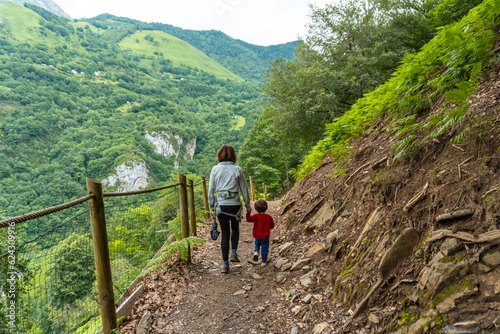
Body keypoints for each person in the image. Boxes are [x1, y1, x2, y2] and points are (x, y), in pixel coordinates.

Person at [208, 144, 251, 274]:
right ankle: (233, 253)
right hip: (235, 205)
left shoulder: (215, 169)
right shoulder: (238, 169)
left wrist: (212, 206)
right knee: (235, 228)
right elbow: (244, 190)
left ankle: (225, 265)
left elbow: (211, 191)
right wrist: (248, 206)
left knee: (225, 234)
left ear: (219, 155)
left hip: (221, 205)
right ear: (233, 155)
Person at [246, 199, 275, 267]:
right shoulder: (269, 217)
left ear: (256, 209)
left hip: (257, 236)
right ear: (266, 208)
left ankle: (256, 252)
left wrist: (248, 212)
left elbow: (248, 219)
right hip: (265, 237)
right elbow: (272, 226)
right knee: (264, 249)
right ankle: (263, 262)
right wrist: (268, 227)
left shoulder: (256, 216)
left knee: (256, 245)